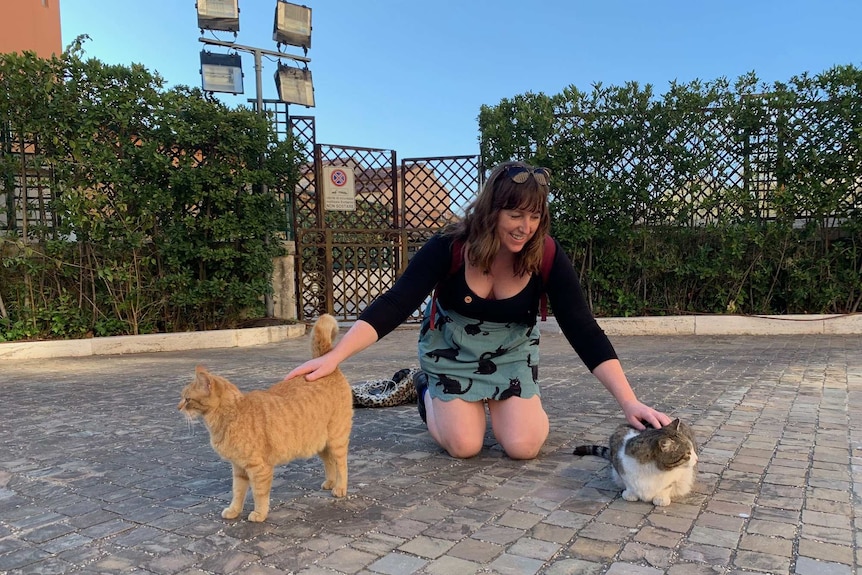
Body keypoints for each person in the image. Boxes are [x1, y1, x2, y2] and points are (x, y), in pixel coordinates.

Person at [286, 161, 672, 460]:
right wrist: (336, 356)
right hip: (451, 351)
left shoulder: (547, 254)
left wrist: (628, 400)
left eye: (535, 216)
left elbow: (583, 328)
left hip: (510, 355)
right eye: (515, 215)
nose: (526, 227)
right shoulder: (449, 246)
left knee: (523, 447)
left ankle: (497, 402)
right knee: (464, 446)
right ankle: (423, 387)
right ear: (492, 210)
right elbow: (396, 303)